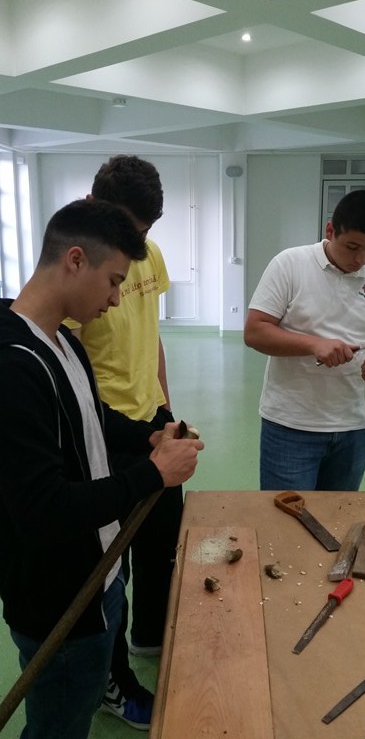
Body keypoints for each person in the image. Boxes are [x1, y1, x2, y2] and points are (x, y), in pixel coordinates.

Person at [0, 199, 203, 739]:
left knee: (81, 698)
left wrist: (147, 437)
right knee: (60, 722)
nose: (116, 299)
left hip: (99, 573)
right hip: (59, 599)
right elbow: (43, 510)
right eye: (113, 281)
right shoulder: (14, 366)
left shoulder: (63, 340)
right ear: (75, 260)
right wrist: (152, 474)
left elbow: (92, 415)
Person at [65, 155, 182, 729]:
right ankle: (113, 683)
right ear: (94, 206)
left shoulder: (147, 254)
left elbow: (151, 335)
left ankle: (153, 639)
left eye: (144, 232)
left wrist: (165, 408)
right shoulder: (78, 269)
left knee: (162, 543)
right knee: (111, 572)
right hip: (102, 433)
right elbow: (66, 364)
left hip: (150, 422)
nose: (135, 245)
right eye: (128, 230)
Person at [244, 189, 365, 492]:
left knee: (338, 515)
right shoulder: (289, 264)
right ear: (330, 231)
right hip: (291, 424)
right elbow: (255, 331)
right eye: (352, 246)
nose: (361, 258)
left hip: (354, 426)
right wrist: (314, 344)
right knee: (287, 516)